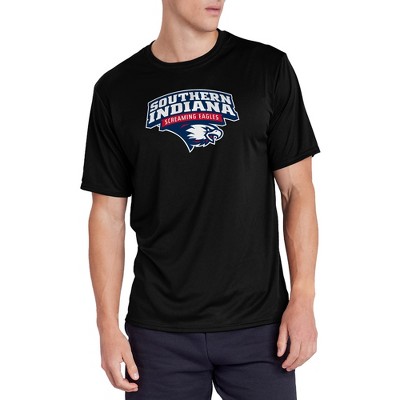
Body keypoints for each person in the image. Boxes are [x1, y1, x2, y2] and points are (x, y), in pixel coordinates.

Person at [80, 0, 320, 398]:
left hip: (261, 328)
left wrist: (303, 299)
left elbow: (297, 191)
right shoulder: (117, 89)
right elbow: (107, 215)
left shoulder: (266, 68)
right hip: (159, 334)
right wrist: (107, 325)